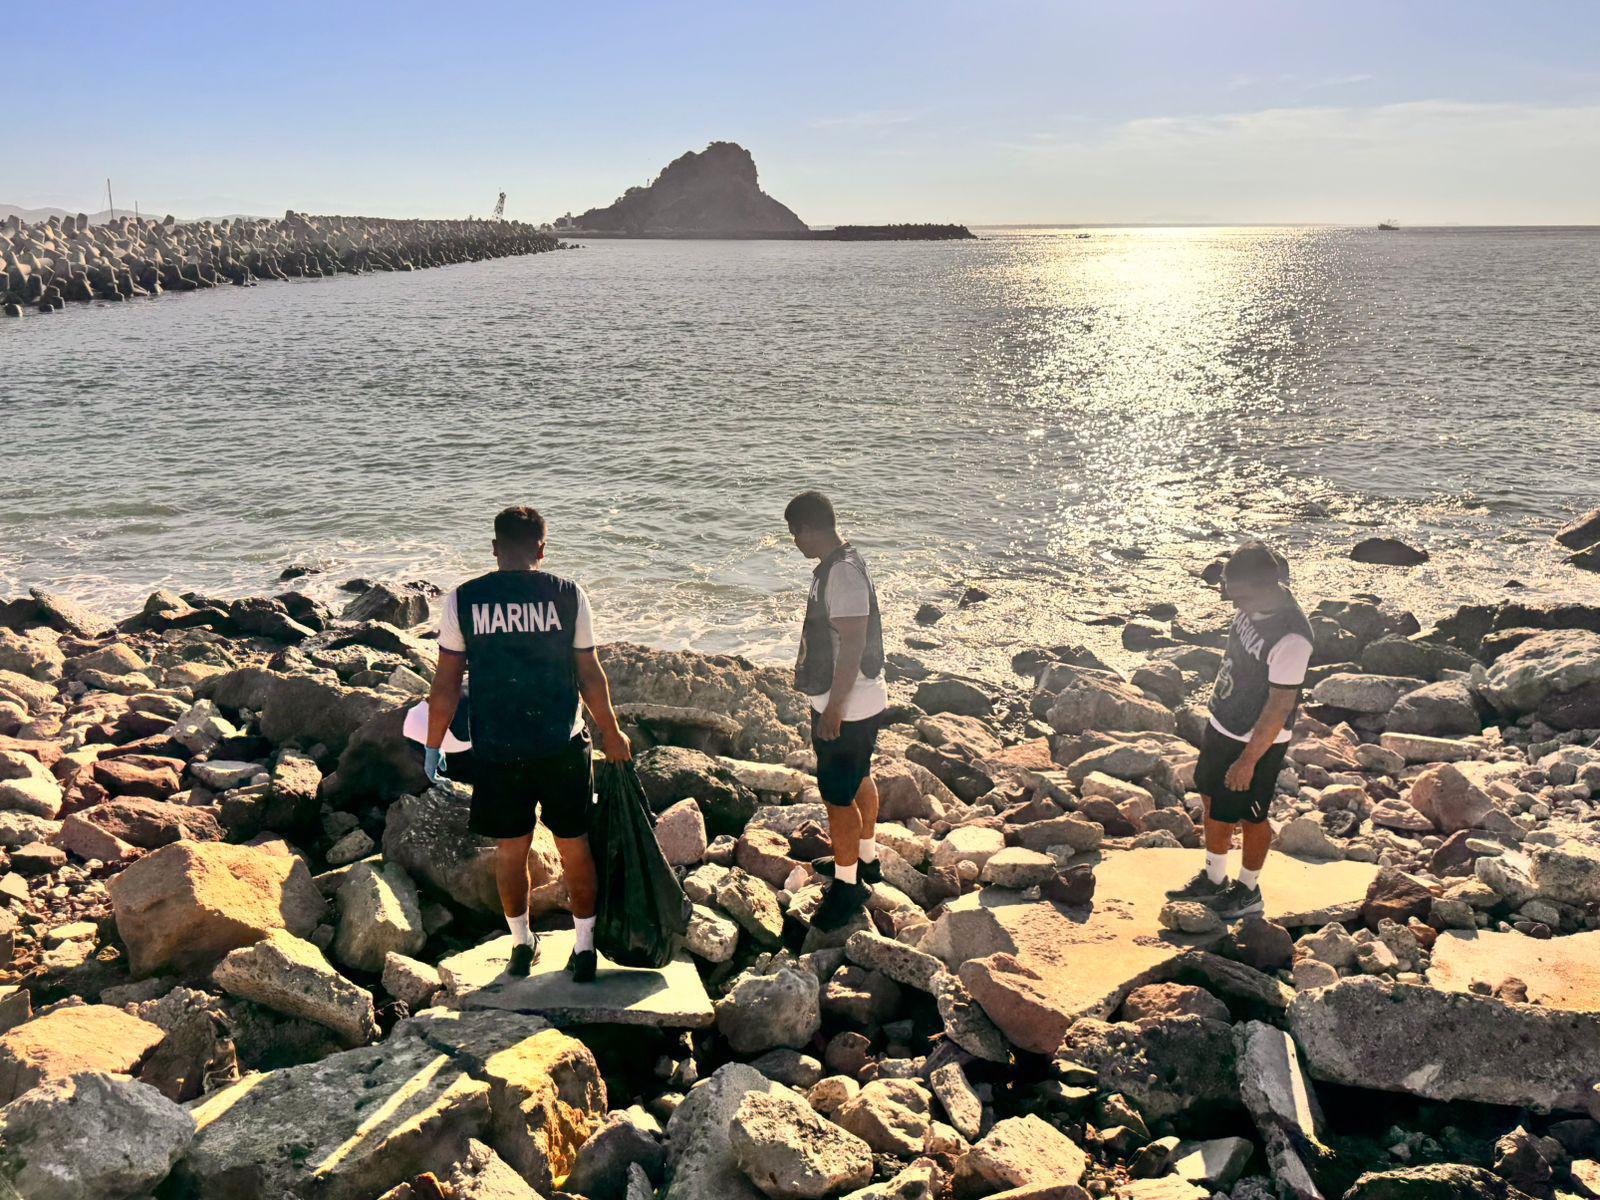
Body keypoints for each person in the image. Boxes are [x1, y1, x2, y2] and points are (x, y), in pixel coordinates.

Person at [423, 505, 632, 981]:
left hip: (497, 748)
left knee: (511, 850)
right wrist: (611, 731)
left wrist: (433, 744)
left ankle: (521, 943)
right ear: (542, 547)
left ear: (495, 548)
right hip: (561, 743)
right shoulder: (568, 595)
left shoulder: (463, 600)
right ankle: (583, 949)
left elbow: (446, 685)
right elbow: (590, 675)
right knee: (574, 846)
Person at [1166, 540, 1312, 920]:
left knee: (1250, 815)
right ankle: (1214, 881)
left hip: (1256, 740)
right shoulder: (1256, 595)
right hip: (1224, 722)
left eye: (1240, 596)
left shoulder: (1292, 638)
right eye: (1230, 592)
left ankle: (1248, 890)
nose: (1233, 604)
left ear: (1267, 586)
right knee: (1213, 802)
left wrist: (1249, 761)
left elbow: (1280, 706)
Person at [785, 490, 890, 931]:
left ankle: (847, 888)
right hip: (861, 702)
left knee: (837, 798)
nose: (795, 542)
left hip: (847, 705)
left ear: (811, 527)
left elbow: (851, 647)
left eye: (795, 533)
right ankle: (865, 859)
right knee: (860, 777)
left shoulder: (842, 573)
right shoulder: (842, 564)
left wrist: (834, 710)